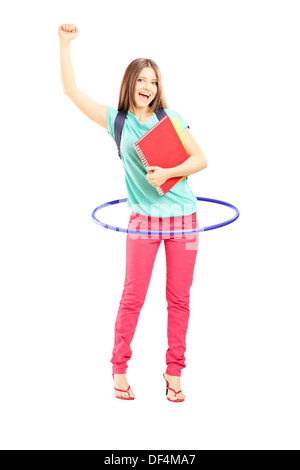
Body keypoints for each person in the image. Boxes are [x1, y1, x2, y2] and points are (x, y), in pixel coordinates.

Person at [59, 24, 208, 402]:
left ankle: (174, 372)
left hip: (184, 220)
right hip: (143, 222)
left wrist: (169, 172)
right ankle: (119, 368)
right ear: (131, 84)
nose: (148, 87)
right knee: (133, 296)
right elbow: (71, 91)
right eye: (142, 80)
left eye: (154, 82)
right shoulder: (117, 121)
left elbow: (200, 160)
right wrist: (64, 43)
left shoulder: (170, 118)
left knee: (179, 299)